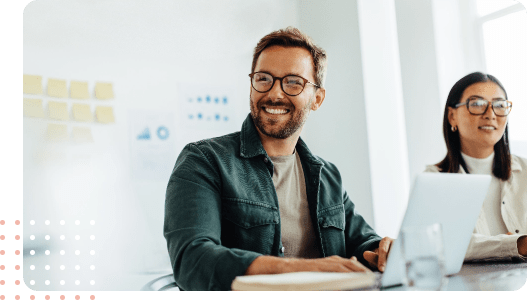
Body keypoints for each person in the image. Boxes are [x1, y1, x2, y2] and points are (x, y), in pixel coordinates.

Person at [164, 27, 393, 291]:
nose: (274, 93)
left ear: (317, 99)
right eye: (264, 79)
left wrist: (384, 250)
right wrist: (303, 268)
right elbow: (193, 261)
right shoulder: (203, 160)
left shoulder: (327, 175)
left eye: (293, 82)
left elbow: (362, 243)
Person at [425, 72, 527, 261]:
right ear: (452, 116)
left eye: (499, 105)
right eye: (477, 104)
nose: (490, 114)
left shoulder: (525, 171)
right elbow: (447, 244)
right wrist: (517, 244)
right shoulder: (434, 180)